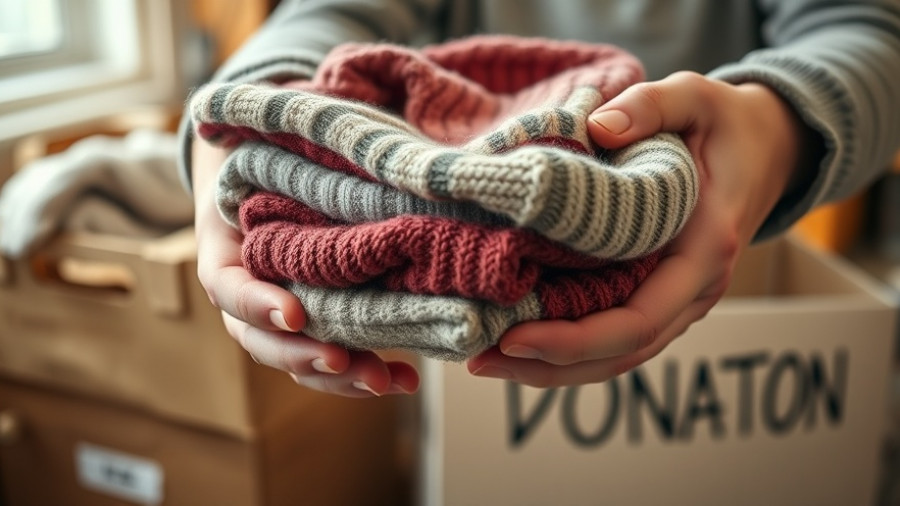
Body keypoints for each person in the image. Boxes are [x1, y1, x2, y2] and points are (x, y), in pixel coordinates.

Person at [180, 0, 900, 397]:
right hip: (440, 382)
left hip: (728, 287)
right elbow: (333, 13)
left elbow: (868, 30)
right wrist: (251, 115)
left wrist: (773, 127)